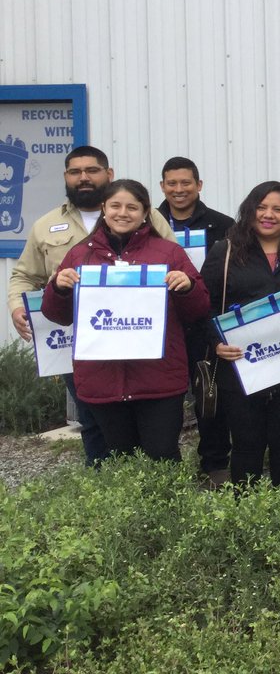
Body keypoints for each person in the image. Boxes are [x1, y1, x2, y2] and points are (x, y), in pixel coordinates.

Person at [7, 146, 175, 466]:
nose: (83, 177)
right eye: (75, 172)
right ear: (66, 178)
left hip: (140, 338)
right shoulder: (45, 225)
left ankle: (148, 483)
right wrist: (17, 307)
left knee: (146, 420)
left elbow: (172, 262)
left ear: (108, 174)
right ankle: (101, 483)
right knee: (93, 418)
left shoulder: (146, 215)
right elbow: (24, 276)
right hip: (80, 342)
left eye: (92, 170)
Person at [41, 179, 210, 462]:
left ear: (145, 213)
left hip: (158, 379)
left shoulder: (169, 253)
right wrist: (58, 287)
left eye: (132, 207)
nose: (123, 213)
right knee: (120, 460)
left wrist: (188, 287)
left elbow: (199, 310)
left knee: (162, 455)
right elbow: (57, 315)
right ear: (104, 209)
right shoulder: (80, 255)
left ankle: (167, 508)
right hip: (102, 379)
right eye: (115, 206)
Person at [201, 182, 280, 486]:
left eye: (278, 209)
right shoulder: (224, 252)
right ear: (250, 210)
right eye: (261, 207)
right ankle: (247, 514)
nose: (268, 215)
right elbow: (205, 306)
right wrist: (215, 343)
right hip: (239, 366)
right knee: (246, 445)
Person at [158, 156, 236, 486]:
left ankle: (215, 465)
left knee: (209, 399)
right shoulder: (149, 224)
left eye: (186, 182)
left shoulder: (223, 225)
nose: (179, 190)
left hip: (207, 324)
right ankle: (163, 466)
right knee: (164, 401)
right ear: (162, 187)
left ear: (199, 185)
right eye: (171, 183)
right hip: (162, 327)